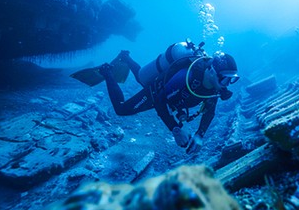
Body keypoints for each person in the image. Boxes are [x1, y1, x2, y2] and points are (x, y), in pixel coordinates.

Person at [98, 45, 239, 153]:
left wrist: (199, 135)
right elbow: (159, 102)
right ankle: (107, 72)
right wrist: (176, 130)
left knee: (142, 79)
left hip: (170, 95)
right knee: (122, 109)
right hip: (157, 92)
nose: (226, 85)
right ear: (212, 71)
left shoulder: (213, 88)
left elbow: (209, 112)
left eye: (230, 80)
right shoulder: (187, 77)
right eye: (225, 79)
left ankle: (126, 57)